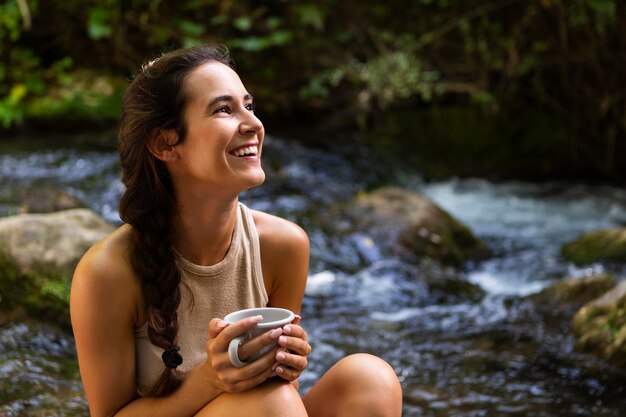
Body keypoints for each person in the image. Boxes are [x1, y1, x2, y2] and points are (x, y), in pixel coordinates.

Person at [70, 44, 403, 417]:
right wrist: (211, 380)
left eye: (249, 106)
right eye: (224, 110)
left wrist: (286, 366)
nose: (253, 125)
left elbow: (283, 392)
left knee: (369, 379)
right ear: (166, 143)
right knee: (271, 404)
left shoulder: (283, 245)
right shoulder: (107, 273)